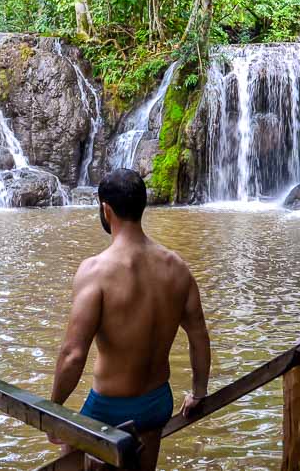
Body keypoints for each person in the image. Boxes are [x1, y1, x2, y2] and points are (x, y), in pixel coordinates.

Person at [49, 168, 211, 470]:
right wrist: (199, 392)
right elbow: (199, 335)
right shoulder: (177, 267)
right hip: (158, 403)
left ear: (105, 209)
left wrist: (53, 409)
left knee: (68, 464)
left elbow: (73, 355)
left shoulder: (96, 271)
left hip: (109, 409)